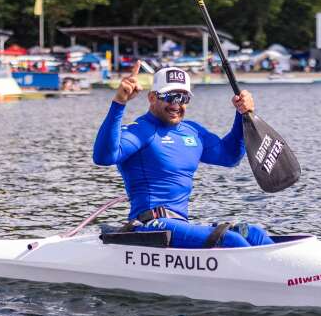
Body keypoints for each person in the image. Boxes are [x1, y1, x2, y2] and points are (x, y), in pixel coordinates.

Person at [93, 61, 274, 249]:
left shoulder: (192, 132)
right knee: (230, 240)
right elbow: (104, 157)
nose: (176, 104)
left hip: (180, 224)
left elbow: (230, 156)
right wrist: (119, 103)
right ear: (152, 97)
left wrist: (242, 114)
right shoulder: (141, 131)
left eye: (183, 97)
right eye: (170, 97)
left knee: (254, 233)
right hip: (149, 226)